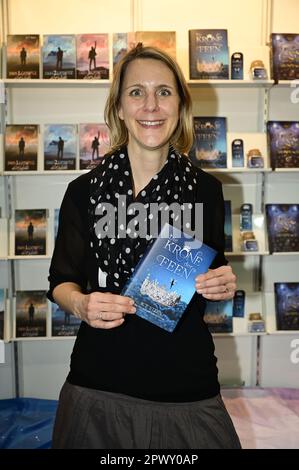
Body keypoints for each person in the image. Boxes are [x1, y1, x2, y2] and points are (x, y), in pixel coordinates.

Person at [48, 44, 241, 449]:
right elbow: (61, 282)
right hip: (97, 388)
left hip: (185, 390)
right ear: (119, 107)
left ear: (180, 105)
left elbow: (213, 278)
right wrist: (81, 305)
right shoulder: (83, 192)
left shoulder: (205, 191)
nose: (150, 105)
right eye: (136, 92)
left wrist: (222, 283)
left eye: (164, 92)